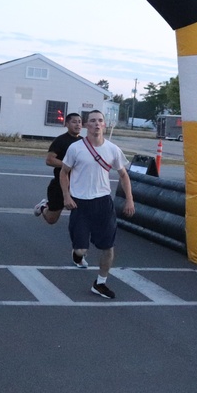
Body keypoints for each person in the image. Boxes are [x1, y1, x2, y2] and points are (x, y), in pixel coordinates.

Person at [59, 110, 135, 299]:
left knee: (107, 246)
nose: (97, 124)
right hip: (80, 204)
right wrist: (66, 196)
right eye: (92, 121)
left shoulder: (113, 149)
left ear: (105, 125)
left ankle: (100, 283)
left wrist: (129, 199)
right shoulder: (76, 148)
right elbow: (63, 173)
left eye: (100, 120)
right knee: (81, 249)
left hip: (103, 203)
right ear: (86, 125)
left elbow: (123, 175)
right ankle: (77, 254)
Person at [34, 112, 83, 225]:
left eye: (79, 122)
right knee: (52, 219)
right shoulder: (60, 141)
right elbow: (49, 160)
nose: (77, 125)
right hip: (60, 185)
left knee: (83, 213)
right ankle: (42, 207)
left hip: (79, 186)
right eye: (74, 122)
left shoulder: (83, 142)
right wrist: (68, 165)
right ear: (67, 124)